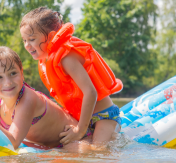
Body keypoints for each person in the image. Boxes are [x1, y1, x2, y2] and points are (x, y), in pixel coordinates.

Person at [20, 7, 123, 147]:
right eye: (24, 40)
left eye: (31, 39)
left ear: (50, 37)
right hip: (78, 118)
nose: (27, 45)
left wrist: (80, 130)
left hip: (103, 116)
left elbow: (90, 92)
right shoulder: (47, 62)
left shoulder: (66, 58)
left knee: (99, 152)